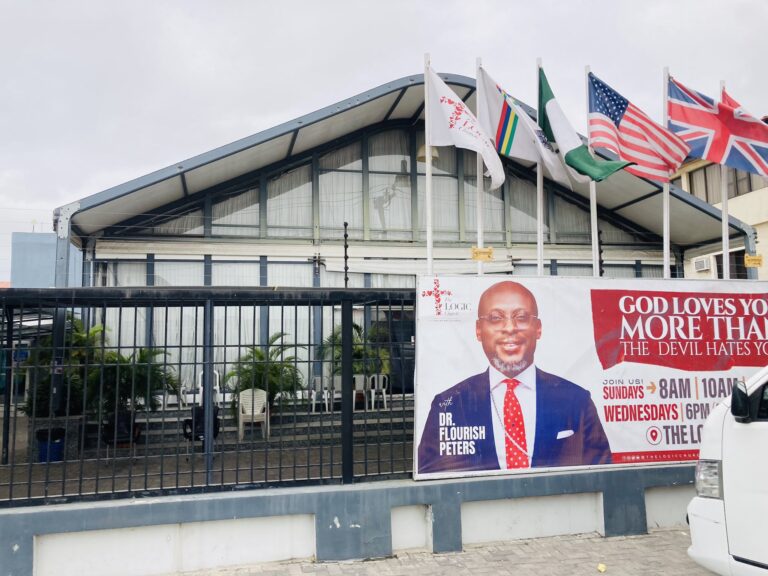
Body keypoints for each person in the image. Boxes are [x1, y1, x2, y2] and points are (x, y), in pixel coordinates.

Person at [418, 280, 611, 474]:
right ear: (478, 330)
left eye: (521, 317)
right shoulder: (449, 405)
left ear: (538, 328)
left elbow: (602, 474)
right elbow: (432, 477)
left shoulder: (576, 401)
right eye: (495, 318)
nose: (510, 328)